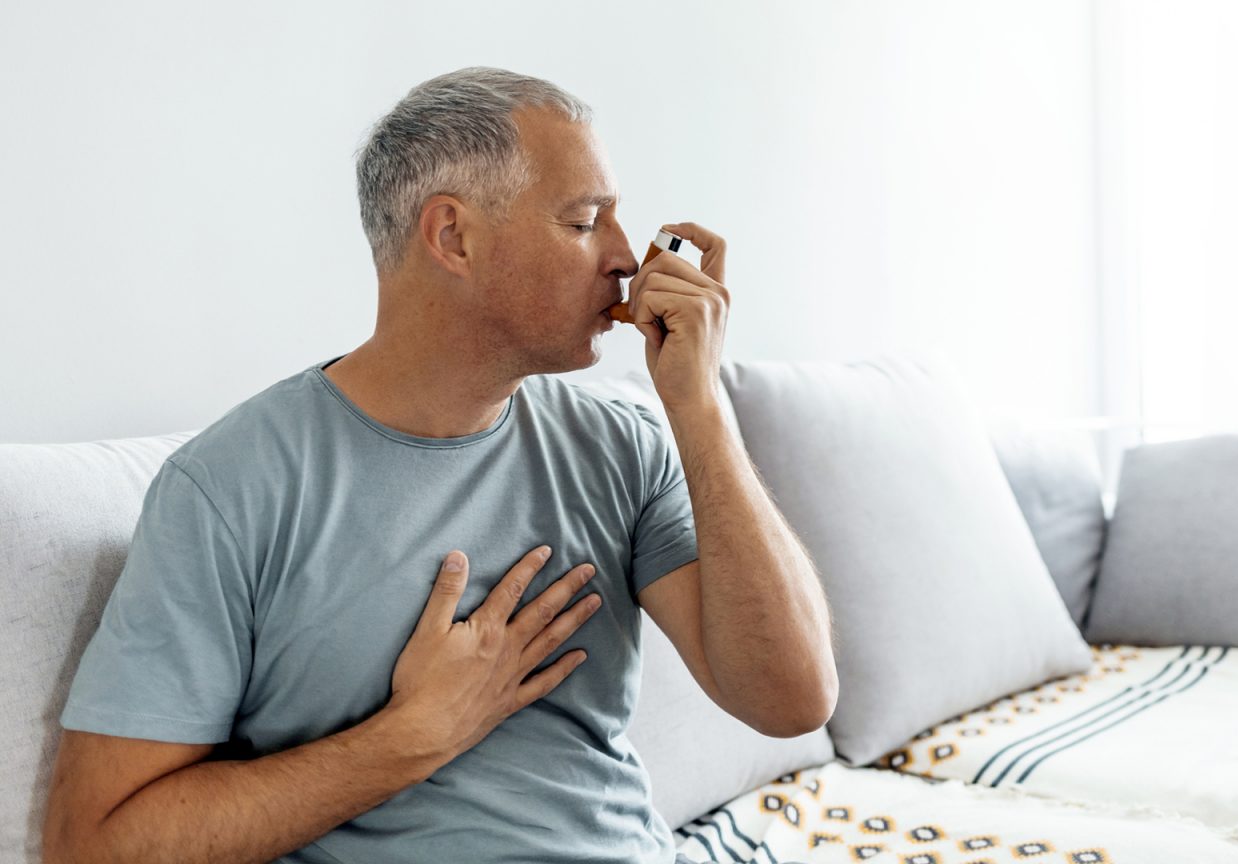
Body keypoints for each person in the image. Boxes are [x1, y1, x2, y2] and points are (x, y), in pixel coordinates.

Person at [42, 66, 837, 864]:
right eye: (585, 221)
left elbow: (795, 700)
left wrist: (699, 406)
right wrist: (413, 737)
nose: (628, 258)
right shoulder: (229, 488)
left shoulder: (624, 446)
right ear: (452, 235)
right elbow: (95, 845)